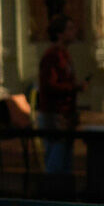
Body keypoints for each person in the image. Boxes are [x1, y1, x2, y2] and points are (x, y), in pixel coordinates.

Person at [35, 15, 81, 175]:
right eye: (69, 29)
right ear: (60, 34)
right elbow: (49, 85)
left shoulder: (64, 54)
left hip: (65, 113)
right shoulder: (52, 56)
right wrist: (73, 87)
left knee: (65, 162)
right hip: (55, 114)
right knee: (56, 162)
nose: (74, 32)